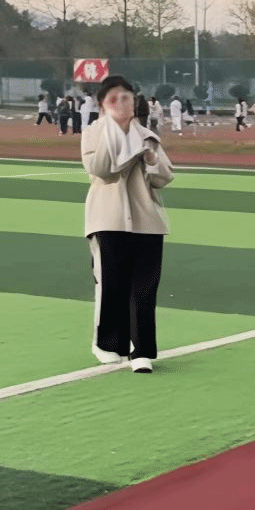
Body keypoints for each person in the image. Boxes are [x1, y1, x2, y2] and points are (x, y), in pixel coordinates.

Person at [80, 75, 174, 373]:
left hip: (147, 221)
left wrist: (150, 158)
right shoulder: (93, 133)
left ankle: (141, 351)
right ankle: (108, 344)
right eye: (114, 99)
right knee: (111, 284)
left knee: (144, 288)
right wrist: (117, 137)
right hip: (108, 218)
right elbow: (99, 170)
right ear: (103, 106)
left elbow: (165, 177)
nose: (122, 102)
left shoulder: (147, 136)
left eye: (127, 97)